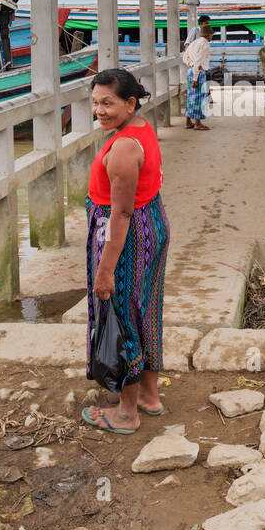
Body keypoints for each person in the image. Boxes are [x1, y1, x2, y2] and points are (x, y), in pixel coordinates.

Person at [82, 69, 170, 434]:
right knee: (144, 309)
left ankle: (127, 412)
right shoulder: (140, 129)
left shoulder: (121, 149)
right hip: (151, 226)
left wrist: (105, 270)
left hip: (124, 237)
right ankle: (150, 396)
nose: (100, 111)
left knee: (122, 316)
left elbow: (119, 213)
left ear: (130, 103)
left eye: (108, 103)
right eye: (95, 103)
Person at [183, 22, 213, 131]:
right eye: (211, 35)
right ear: (208, 35)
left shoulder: (194, 43)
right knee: (199, 98)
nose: (211, 37)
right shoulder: (205, 45)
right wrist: (195, 78)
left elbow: (185, 57)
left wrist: (191, 66)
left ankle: (187, 122)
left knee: (191, 97)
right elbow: (198, 62)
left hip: (190, 71)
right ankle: (197, 123)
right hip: (198, 73)